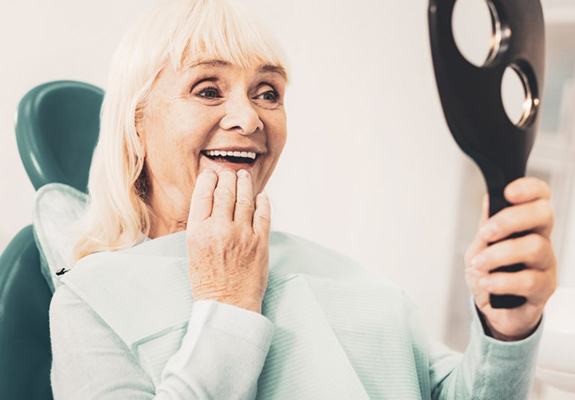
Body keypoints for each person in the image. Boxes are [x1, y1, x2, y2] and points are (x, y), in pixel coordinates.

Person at [48, 0, 557, 398]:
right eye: (207, 89)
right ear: (136, 122)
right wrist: (227, 304)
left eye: (267, 92)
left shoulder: (352, 279)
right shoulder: (92, 300)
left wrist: (505, 331)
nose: (249, 119)